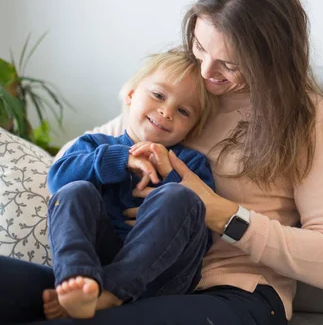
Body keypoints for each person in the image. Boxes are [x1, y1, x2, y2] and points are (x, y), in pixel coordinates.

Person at [0, 0, 323, 325]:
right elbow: (72, 163)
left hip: (235, 292)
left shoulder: (305, 115)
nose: (206, 72)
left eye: (230, 65)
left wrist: (220, 212)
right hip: (119, 271)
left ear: (271, 58)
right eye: (200, 47)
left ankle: (110, 296)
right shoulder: (184, 86)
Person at [45, 50, 216, 319]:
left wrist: (169, 178)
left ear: (192, 129)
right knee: (74, 190)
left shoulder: (190, 164)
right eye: (158, 95)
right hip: (99, 263)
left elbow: (204, 237)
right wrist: (119, 160)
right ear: (131, 94)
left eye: (183, 111)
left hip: (163, 275)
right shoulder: (95, 146)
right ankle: (77, 283)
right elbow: (56, 182)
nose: (166, 111)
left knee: (180, 196)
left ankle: (112, 293)